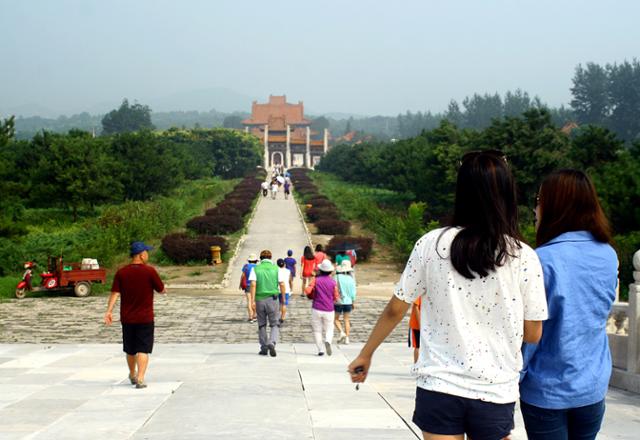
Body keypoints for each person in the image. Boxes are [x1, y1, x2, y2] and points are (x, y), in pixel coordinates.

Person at [348, 150, 548, 440]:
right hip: (494, 389)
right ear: (506, 194)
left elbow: (396, 308)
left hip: (439, 387)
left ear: (462, 191)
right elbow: (533, 334)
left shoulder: (431, 244)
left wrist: (366, 354)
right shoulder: (523, 256)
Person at [519, 169, 618, 440]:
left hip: (547, 389)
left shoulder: (541, 260)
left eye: (539, 199)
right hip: (592, 386)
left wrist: (516, 376)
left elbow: (531, 333)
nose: (535, 208)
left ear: (554, 205)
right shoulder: (608, 254)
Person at [104, 241, 166, 389]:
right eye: (147, 252)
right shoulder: (149, 271)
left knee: (130, 349)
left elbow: (115, 293)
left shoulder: (121, 272)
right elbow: (161, 289)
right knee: (143, 349)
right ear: (141, 254)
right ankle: (140, 378)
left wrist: (109, 311)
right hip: (145, 317)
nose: (148, 255)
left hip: (127, 318)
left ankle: (132, 374)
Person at [249, 250, 285, 357]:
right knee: (274, 324)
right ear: (271, 258)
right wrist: (283, 299)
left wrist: (252, 300)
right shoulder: (276, 269)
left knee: (262, 324)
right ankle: (272, 342)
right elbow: (282, 284)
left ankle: (264, 347)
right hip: (273, 299)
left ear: (260, 258)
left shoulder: (255, 269)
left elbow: (253, 284)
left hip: (260, 299)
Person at [306, 259, 339, 356]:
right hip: (329, 308)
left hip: (316, 307)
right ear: (330, 271)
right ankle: (328, 341)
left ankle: (320, 350)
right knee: (329, 328)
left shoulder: (316, 280)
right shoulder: (333, 282)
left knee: (317, 330)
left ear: (320, 270)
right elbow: (336, 297)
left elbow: (307, 290)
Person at [334, 260, 357, 345]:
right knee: (346, 319)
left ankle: (341, 332)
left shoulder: (336, 277)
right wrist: (353, 301)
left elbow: (333, 289)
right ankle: (347, 338)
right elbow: (353, 292)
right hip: (348, 302)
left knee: (335, 319)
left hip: (338, 301)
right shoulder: (351, 279)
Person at [240, 254, 258, 323]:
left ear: (249, 260)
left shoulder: (246, 266)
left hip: (247, 285)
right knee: (255, 301)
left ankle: (250, 317)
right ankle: (254, 315)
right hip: (256, 285)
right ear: (256, 260)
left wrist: (240, 284)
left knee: (249, 301)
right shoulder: (257, 267)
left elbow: (242, 276)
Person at [276, 258, 291, 324]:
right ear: (284, 264)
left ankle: (278, 316)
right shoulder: (288, 271)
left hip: (277, 289)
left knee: (278, 304)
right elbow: (290, 280)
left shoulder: (276, 271)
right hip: (286, 289)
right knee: (284, 304)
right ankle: (282, 317)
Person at [408, 297, 421, 363]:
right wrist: (420, 324)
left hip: (425, 325)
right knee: (417, 346)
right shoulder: (419, 293)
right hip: (416, 325)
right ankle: (416, 366)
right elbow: (416, 307)